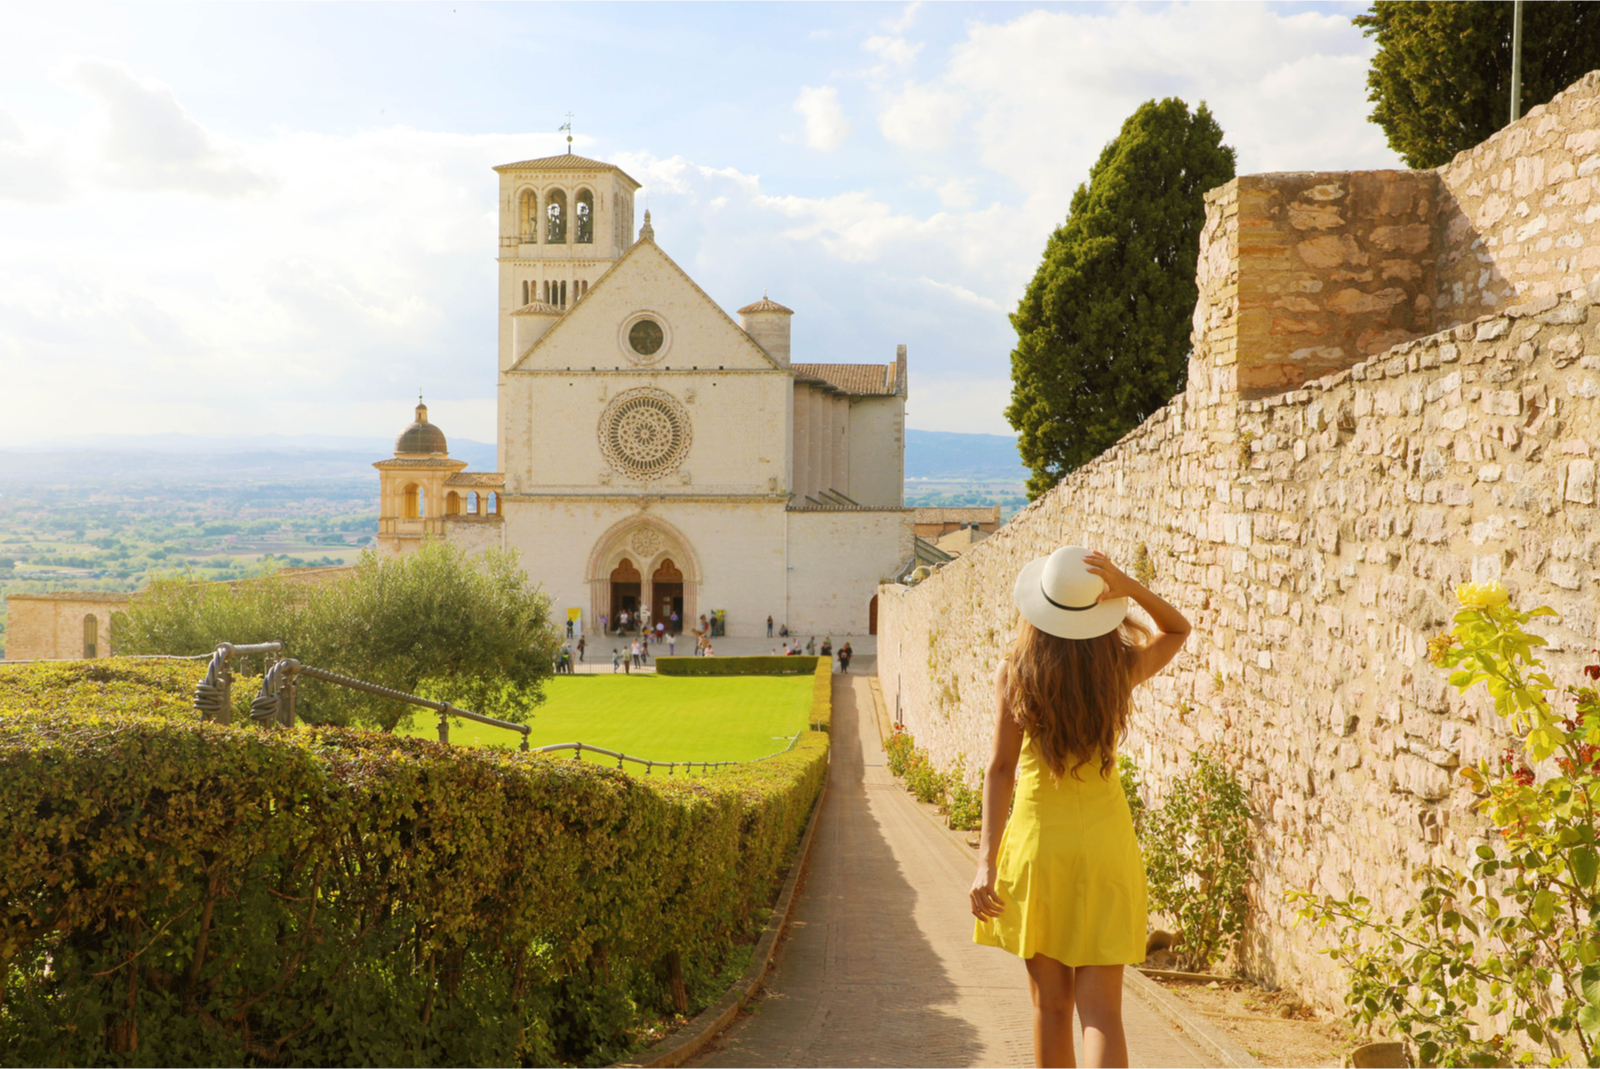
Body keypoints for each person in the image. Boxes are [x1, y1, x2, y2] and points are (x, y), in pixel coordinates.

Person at [970, 547, 1190, 1069]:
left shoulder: (1016, 673)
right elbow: (1177, 630)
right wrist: (1129, 587)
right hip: (1107, 848)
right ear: (1099, 609)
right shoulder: (1118, 669)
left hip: (1039, 848)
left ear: (1040, 607)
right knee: (1103, 1015)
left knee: (1050, 1009)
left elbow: (1000, 770)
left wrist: (985, 861)